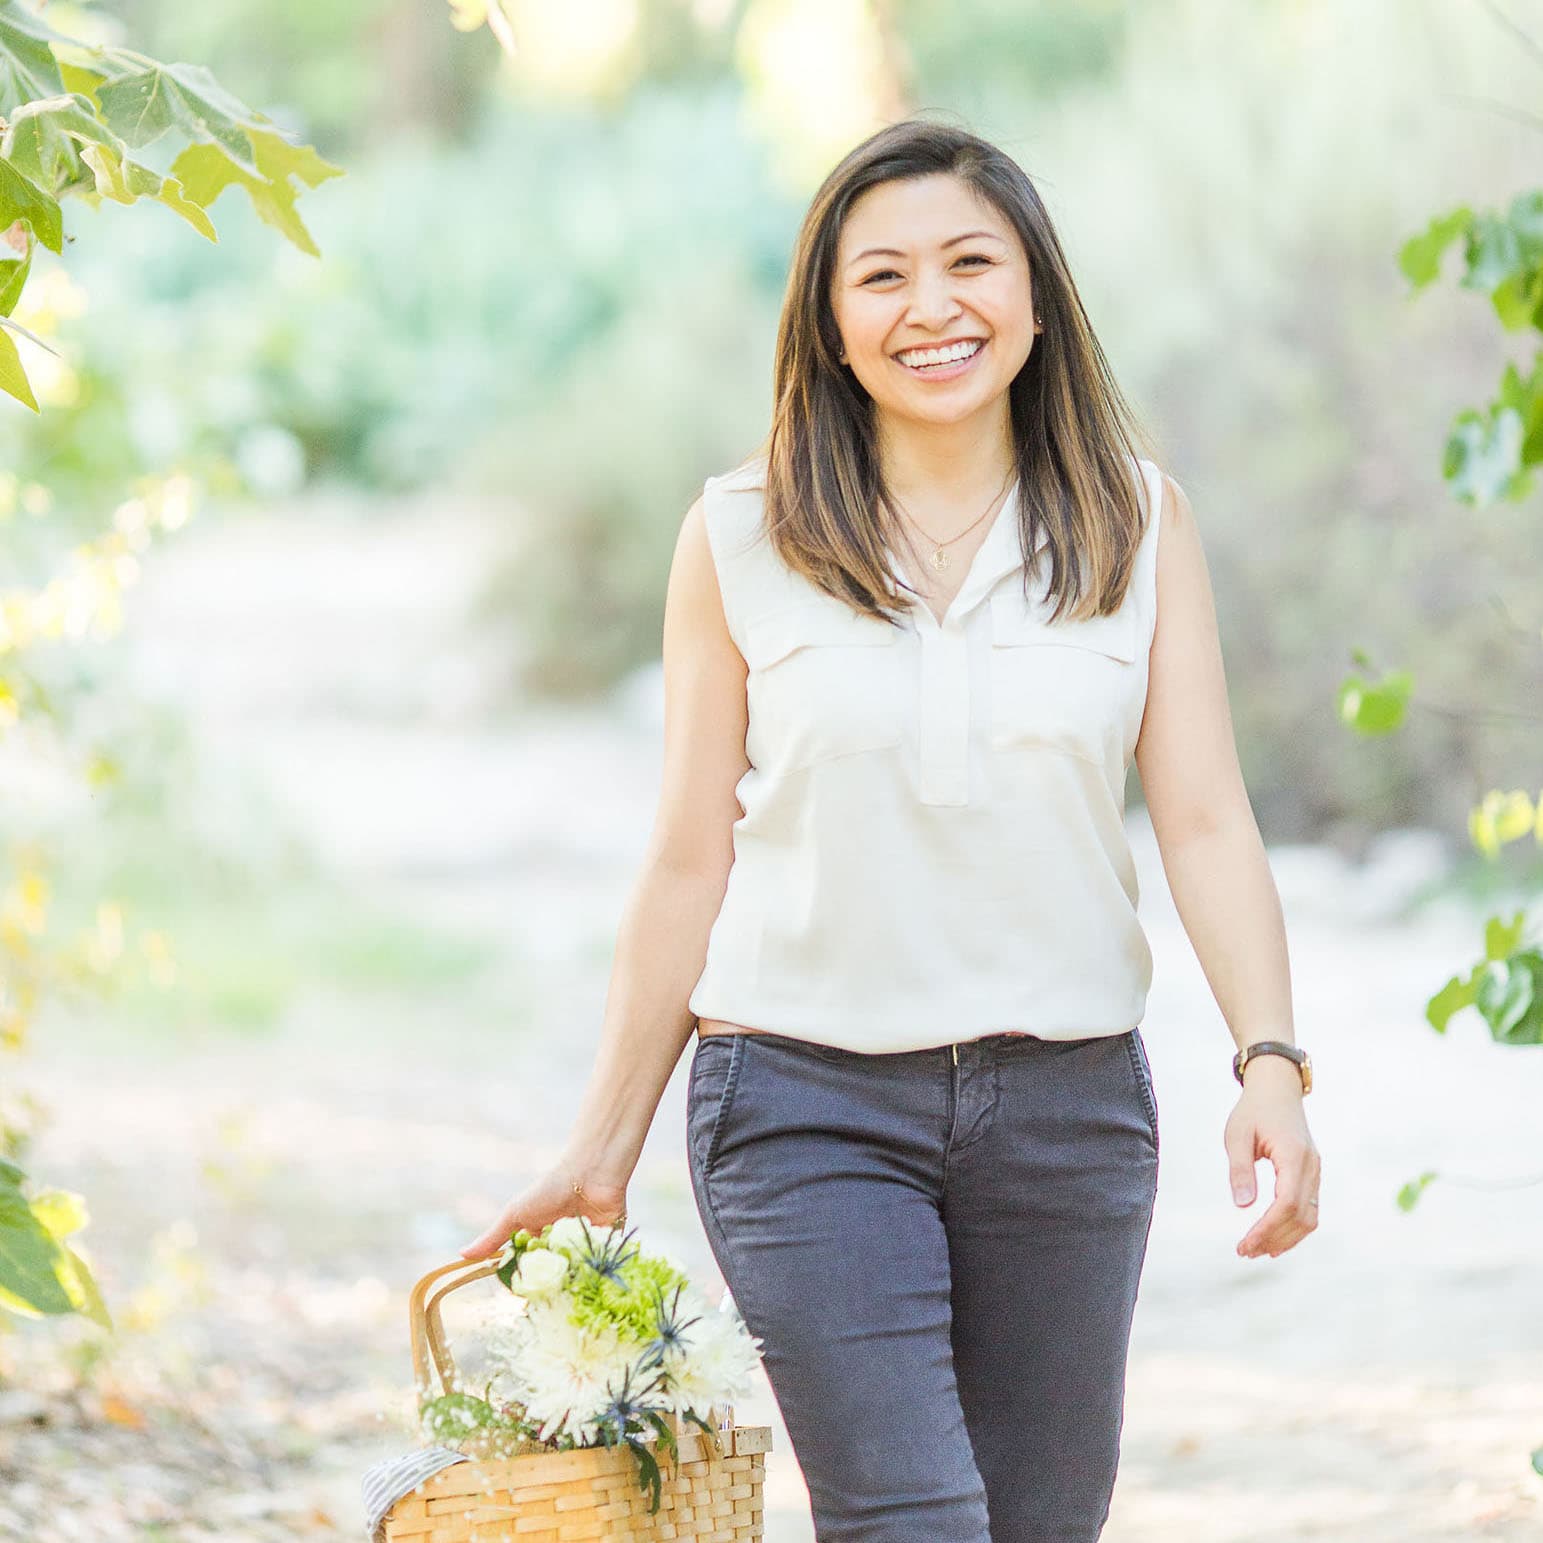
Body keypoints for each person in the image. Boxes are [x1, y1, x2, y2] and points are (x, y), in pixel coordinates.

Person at [458, 118, 1322, 1542]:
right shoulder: (740, 535)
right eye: (884, 278)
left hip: (1068, 1113)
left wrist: (1272, 1064)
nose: (934, 308)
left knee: (1040, 1526)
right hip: (803, 1106)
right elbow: (689, 855)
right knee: (911, 1519)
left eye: (972, 263)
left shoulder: (1136, 524)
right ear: (832, 324)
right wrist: (602, 1140)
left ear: (1036, 299)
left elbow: (1209, 819)